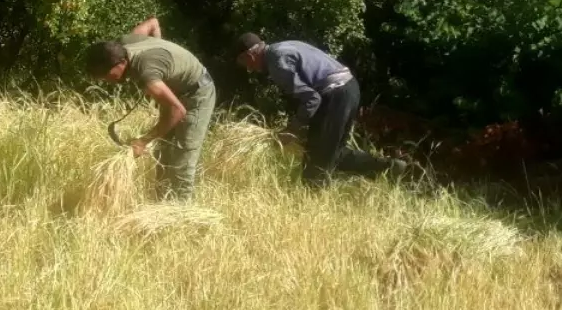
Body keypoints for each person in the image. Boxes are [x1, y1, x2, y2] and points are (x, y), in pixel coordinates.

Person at [235, 33, 407, 186]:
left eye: (245, 64)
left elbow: (312, 98)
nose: (250, 70)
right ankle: (389, 167)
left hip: (335, 94)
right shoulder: (285, 46)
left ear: (250, 54)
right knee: (333, 153)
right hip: (349, 88)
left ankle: (311, 208)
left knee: (315, 165)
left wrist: (292, 129)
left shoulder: (276, 63)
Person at [84, 17, 217, 200]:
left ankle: (183, 216)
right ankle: (160, 205)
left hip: (197, 93)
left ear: (120, 63)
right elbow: (152, 23)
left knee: (182, 157)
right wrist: (162, 55)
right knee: (163, 152)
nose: (108, 81)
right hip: (176, 93)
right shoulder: (125, 43)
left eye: (107, 76)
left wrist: (142, 141)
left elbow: (178, 111)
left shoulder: (146, 72)